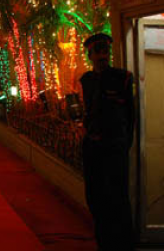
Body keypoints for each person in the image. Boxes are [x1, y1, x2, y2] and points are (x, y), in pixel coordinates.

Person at [79, 33, 135, 251]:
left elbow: (130, 116)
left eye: (105, 51)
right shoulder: (87, 80)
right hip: (93, 147)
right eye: (98, 52)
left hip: (114, 147)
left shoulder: (121, 78)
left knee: (118, 198)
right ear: (90, 55)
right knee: (95, 197)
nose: (103, 56)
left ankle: (123, 245)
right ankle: (104, 243)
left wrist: (123, 143)